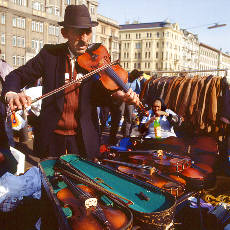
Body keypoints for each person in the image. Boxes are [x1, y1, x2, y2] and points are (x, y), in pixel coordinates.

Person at [2, 5, 139, 161]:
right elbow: (17, 75)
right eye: (78, 32)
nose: (85, 39)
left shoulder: (96, 60)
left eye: (88, 32)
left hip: (83, 137)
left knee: (82, 183)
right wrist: (11, 93)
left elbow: (99, 97)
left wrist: (118, 96)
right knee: (50, 181)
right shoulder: (50, 54)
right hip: (52, 136)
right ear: (65, 33)